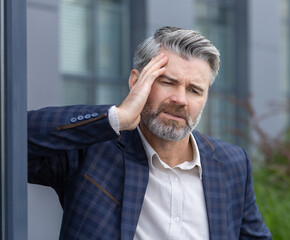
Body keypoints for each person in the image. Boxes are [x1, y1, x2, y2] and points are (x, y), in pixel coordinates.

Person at [28, 26, 272, 240]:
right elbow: (15, 136)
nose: (180, 100)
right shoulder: (93, 150)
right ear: (137, 82)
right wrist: (116, 117)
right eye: (167, 82)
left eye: (195, 90)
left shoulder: (231, 164)